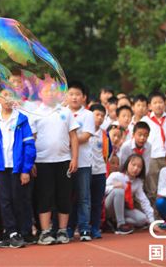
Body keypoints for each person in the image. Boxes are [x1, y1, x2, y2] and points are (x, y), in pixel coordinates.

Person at [0, 89, 36, 248]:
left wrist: (25, 169)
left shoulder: (21, 120)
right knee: (4, 201)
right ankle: (12, 232)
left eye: (11, 96)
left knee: (18, 199)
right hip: (1, 169)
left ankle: (18, 232)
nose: (8, 99)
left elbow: (29, 145)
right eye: (4, 96)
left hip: (17, 168)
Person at [33, 81, 79, 246]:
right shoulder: (36, 113)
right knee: (45, 195)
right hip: (43, 161)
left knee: (64, 196)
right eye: (46, 91)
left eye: (53, 91)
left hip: (64, 161)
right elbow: (33, 138)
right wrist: (31, 162)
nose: (50, 94)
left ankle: (62, 230)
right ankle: (45, 232)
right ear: (40, 94)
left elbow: (73, 136)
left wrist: (74, 159)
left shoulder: (65, 112)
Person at [65, 80, 95, 242]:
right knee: (66, 197)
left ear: (84, 97)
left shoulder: (88, 114)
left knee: (83, 197)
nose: (74, 98)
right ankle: (68, 228)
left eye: (77, 94)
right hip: (64, 161)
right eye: (71, 94)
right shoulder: (62, 112)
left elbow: (86, 136)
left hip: (83, 162)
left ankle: (84, 228)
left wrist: (67, 140)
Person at [104, 154, 160, 234]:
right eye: (133, 165)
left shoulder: (137, 182)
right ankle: (120, 225)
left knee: (142, 219)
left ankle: (114, 220)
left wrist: (152, 221)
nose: (135, 168)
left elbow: (144, 201)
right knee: (119, 190)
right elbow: (101, 191)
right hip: (108, 208)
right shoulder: (116, 176)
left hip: (122, 208)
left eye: (139, 166)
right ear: (127, 164)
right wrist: (113, 187)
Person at [88, 104, 107, 239]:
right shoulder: (83, 131)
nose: (99, 118)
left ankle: (95, 227)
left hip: (100, 171)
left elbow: (108, 152)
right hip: (85, 170)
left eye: (102, 115)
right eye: (97, 114)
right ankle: (75, 226)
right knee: (81, 201)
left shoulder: (105, 135)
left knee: (97, 202)